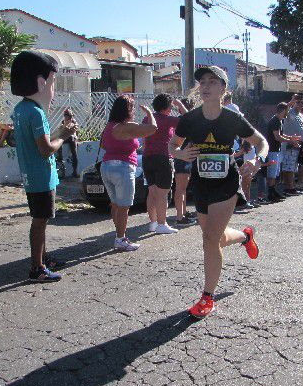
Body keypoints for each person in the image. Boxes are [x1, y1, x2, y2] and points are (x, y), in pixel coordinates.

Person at [169, 66, 268, 319]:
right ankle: (246, 236)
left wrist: (257, 160)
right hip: (201, 183)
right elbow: (172, 144)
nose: (205, 86)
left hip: (226, 183)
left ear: (223, 89)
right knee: (216, 237)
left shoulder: (231, 118)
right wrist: (179, 153)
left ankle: (207, 297)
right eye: (202, 82)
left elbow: (261, 142)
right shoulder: (190, 119)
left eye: (212, 82)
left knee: (209, 240)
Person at [9, 51, 78, 282]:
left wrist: (61, 131)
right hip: (41, 176)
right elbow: (46, 149)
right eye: (53, 81)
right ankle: (36, 268)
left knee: (41, 220)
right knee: (40, 222)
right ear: (41, 82)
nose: (53, 88)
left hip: (32, 175)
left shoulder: (21, 109)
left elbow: (41, 141)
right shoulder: (37, 113)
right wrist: (65, 135)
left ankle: (43, 259)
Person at [101, 95, 157, 251]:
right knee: (124, 206)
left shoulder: (110, 126)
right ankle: (120, 238)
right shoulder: (125, 127)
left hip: (107, 166)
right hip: (123, 167)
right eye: (131, 107)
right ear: (126, 110)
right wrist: (150, 114)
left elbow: (104, 145)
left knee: (115, 204)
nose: (133, 110)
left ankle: (119, 234)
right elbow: (152, 129)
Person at [143, 93, 187, 233]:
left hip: (147, 157)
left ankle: (153, 223)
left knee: (152, 192)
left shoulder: (147, 118)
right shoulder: (168, 120)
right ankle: (162, 224)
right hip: (163, 157)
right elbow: (187, 120)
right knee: (163, 193)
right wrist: (180, 105)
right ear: (168, 107)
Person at [173, 98, 196, 226]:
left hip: (187, 157)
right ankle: (179, 218)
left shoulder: (184, 121)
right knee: (180, 189)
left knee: (183, 188)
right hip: (182, 157)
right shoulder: (183, 120)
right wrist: (180, 104)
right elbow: (189, 117)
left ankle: (184, 212)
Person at [278, 100, 303, 194]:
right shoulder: (290, 112)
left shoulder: (300, 115)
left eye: (302, 103)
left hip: (297, 145)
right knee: (288, 166)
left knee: (293, 167)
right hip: (289, 144)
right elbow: (284, 108)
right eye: (298, 103)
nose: (300, 105)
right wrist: (292, 101)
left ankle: (291, 186)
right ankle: (288, 187)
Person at [264, 104, 286, 202]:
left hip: (276, 150)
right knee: (272, 173)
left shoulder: (278, 121)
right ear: (283, 110)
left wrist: (290, 138)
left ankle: (273, 191)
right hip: (272, 150)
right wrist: (291, 141)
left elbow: (280, 135)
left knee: (275, 173)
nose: (287, 113)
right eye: (287, 110)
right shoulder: (275, 121)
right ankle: (270, 194)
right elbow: (277, 137)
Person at [55, 108, 79, 178]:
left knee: (74, 153)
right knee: (60, 148)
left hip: (71, 138)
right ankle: (62, 169)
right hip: (68, 138)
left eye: (69, 115)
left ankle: (74, 171)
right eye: (67, 115)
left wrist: (77, 137)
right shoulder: (64, 122)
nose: (69, 117)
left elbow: (76, 131)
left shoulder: (73, 121)